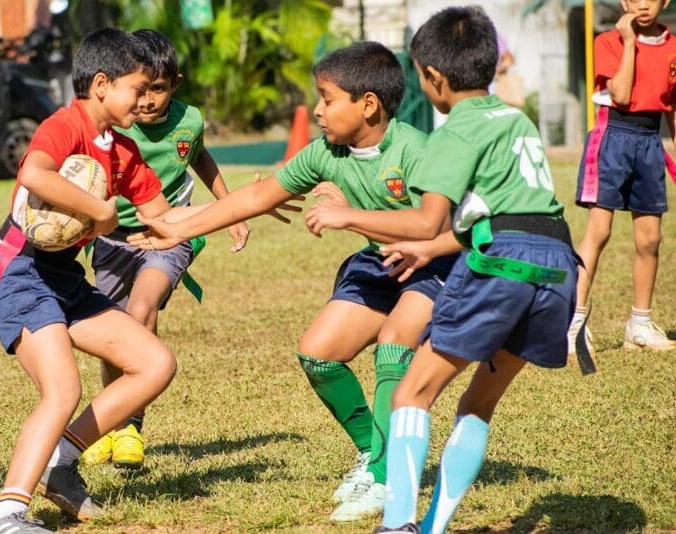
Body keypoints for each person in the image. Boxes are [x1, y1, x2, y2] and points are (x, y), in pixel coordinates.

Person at [127, 41, 456, 522]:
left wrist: (347, 215)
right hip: (382, 264)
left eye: (327, 99)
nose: (318, 110)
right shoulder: (325, 151)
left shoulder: (416, 149)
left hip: (437, 266)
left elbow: (438, 229)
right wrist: (176, 227)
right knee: (318, 353)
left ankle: (387, 480)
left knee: (393, 344)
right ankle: (372, 451)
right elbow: (257, 195)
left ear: (368, 105)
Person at [294, 8, 579, 532]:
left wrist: (346, 215)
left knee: (410, 393)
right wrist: (435, 249)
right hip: (558, 266)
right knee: (476, 404)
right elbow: (513, 212)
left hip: (502, 267)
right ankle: (429, 528)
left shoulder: (455, 130)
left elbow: (427, 219)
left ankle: (397, 523)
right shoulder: (516, 120)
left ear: (433, 77)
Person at [0, 28, 198, 533]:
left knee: (154, 363)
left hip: (64, 278)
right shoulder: (64, 124)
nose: (145, 100)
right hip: (20, 272)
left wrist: (246, 206)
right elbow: (34, 174)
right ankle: (7, 515)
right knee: (63, 389)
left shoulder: (123, 150)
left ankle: (60, 462)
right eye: (137, 89)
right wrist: (99, 209)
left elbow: (166, 217)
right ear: (101, 84)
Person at [79, 28, 251, 471]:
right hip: (114, 238)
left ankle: (131, 426)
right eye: (141, 89)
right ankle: (107, 425)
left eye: (158, 89)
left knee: (141, 309)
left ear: (175, 85)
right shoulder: (114, 123)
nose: (148, 101)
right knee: (112, 333)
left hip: (173, 234)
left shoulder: (189, 120)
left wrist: (229, 207)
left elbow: (199, 156)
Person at [568, 0, 676, 355]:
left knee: (650, 240)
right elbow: (621, 94)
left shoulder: (672, 45)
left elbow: (671, 107)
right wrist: (630, 42)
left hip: (649, 142)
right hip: (612, 137)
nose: (642, 4)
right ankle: (574, 323)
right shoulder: (607, 42)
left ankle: (640, 324)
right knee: (598, 232)